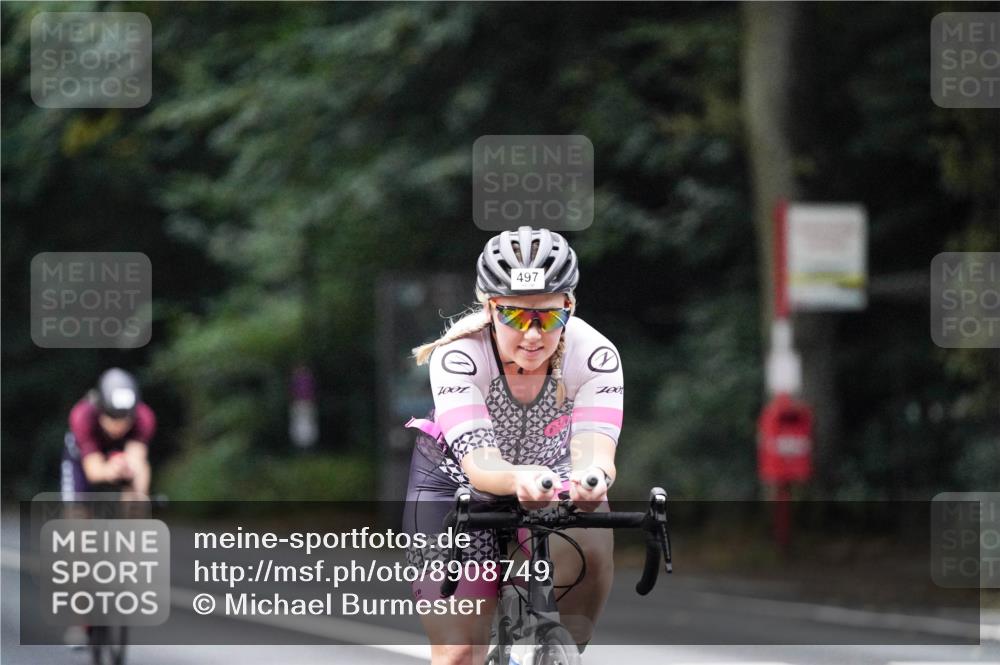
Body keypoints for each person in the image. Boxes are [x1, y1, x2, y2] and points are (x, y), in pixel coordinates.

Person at [403, 226, 623, 665]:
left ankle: (558, 649)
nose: (534, 334)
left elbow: (596, 454)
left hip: (549, 479)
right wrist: (519, 477)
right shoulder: (460, 355)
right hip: (456, 485)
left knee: (594, 537)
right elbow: (482, 464)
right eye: (516, 317)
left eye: (550, 316)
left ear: (570, 307)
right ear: (489, 309)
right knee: (459, 651)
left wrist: (592, 480)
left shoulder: (594, 354)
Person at [62, 367, 155, 500]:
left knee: (137, 492)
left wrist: (137, 490)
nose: (119, 427)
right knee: (76, 513)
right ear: (100, 411)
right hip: (81, 458)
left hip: (119, 457)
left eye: (125, 421)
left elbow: (137, 459)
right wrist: (110, 471)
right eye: (113, 420)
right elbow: (93, 471)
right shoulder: (83, 416)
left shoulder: (144, 417)